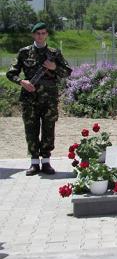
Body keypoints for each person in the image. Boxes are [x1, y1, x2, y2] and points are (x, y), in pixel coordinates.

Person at [6, 22, 72, 175]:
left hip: (49, 97)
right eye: (38, 33)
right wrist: (22, 82)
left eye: (43, 33)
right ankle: (34, 162)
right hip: (29, 97)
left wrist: (54, 67)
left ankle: (46, 162)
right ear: (33, 35)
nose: (40, 36)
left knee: (49, 129)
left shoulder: (54, 53)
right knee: (31, 129)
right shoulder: (24, 52)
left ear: (46, 34)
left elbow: (68, 72)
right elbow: (11, 73)